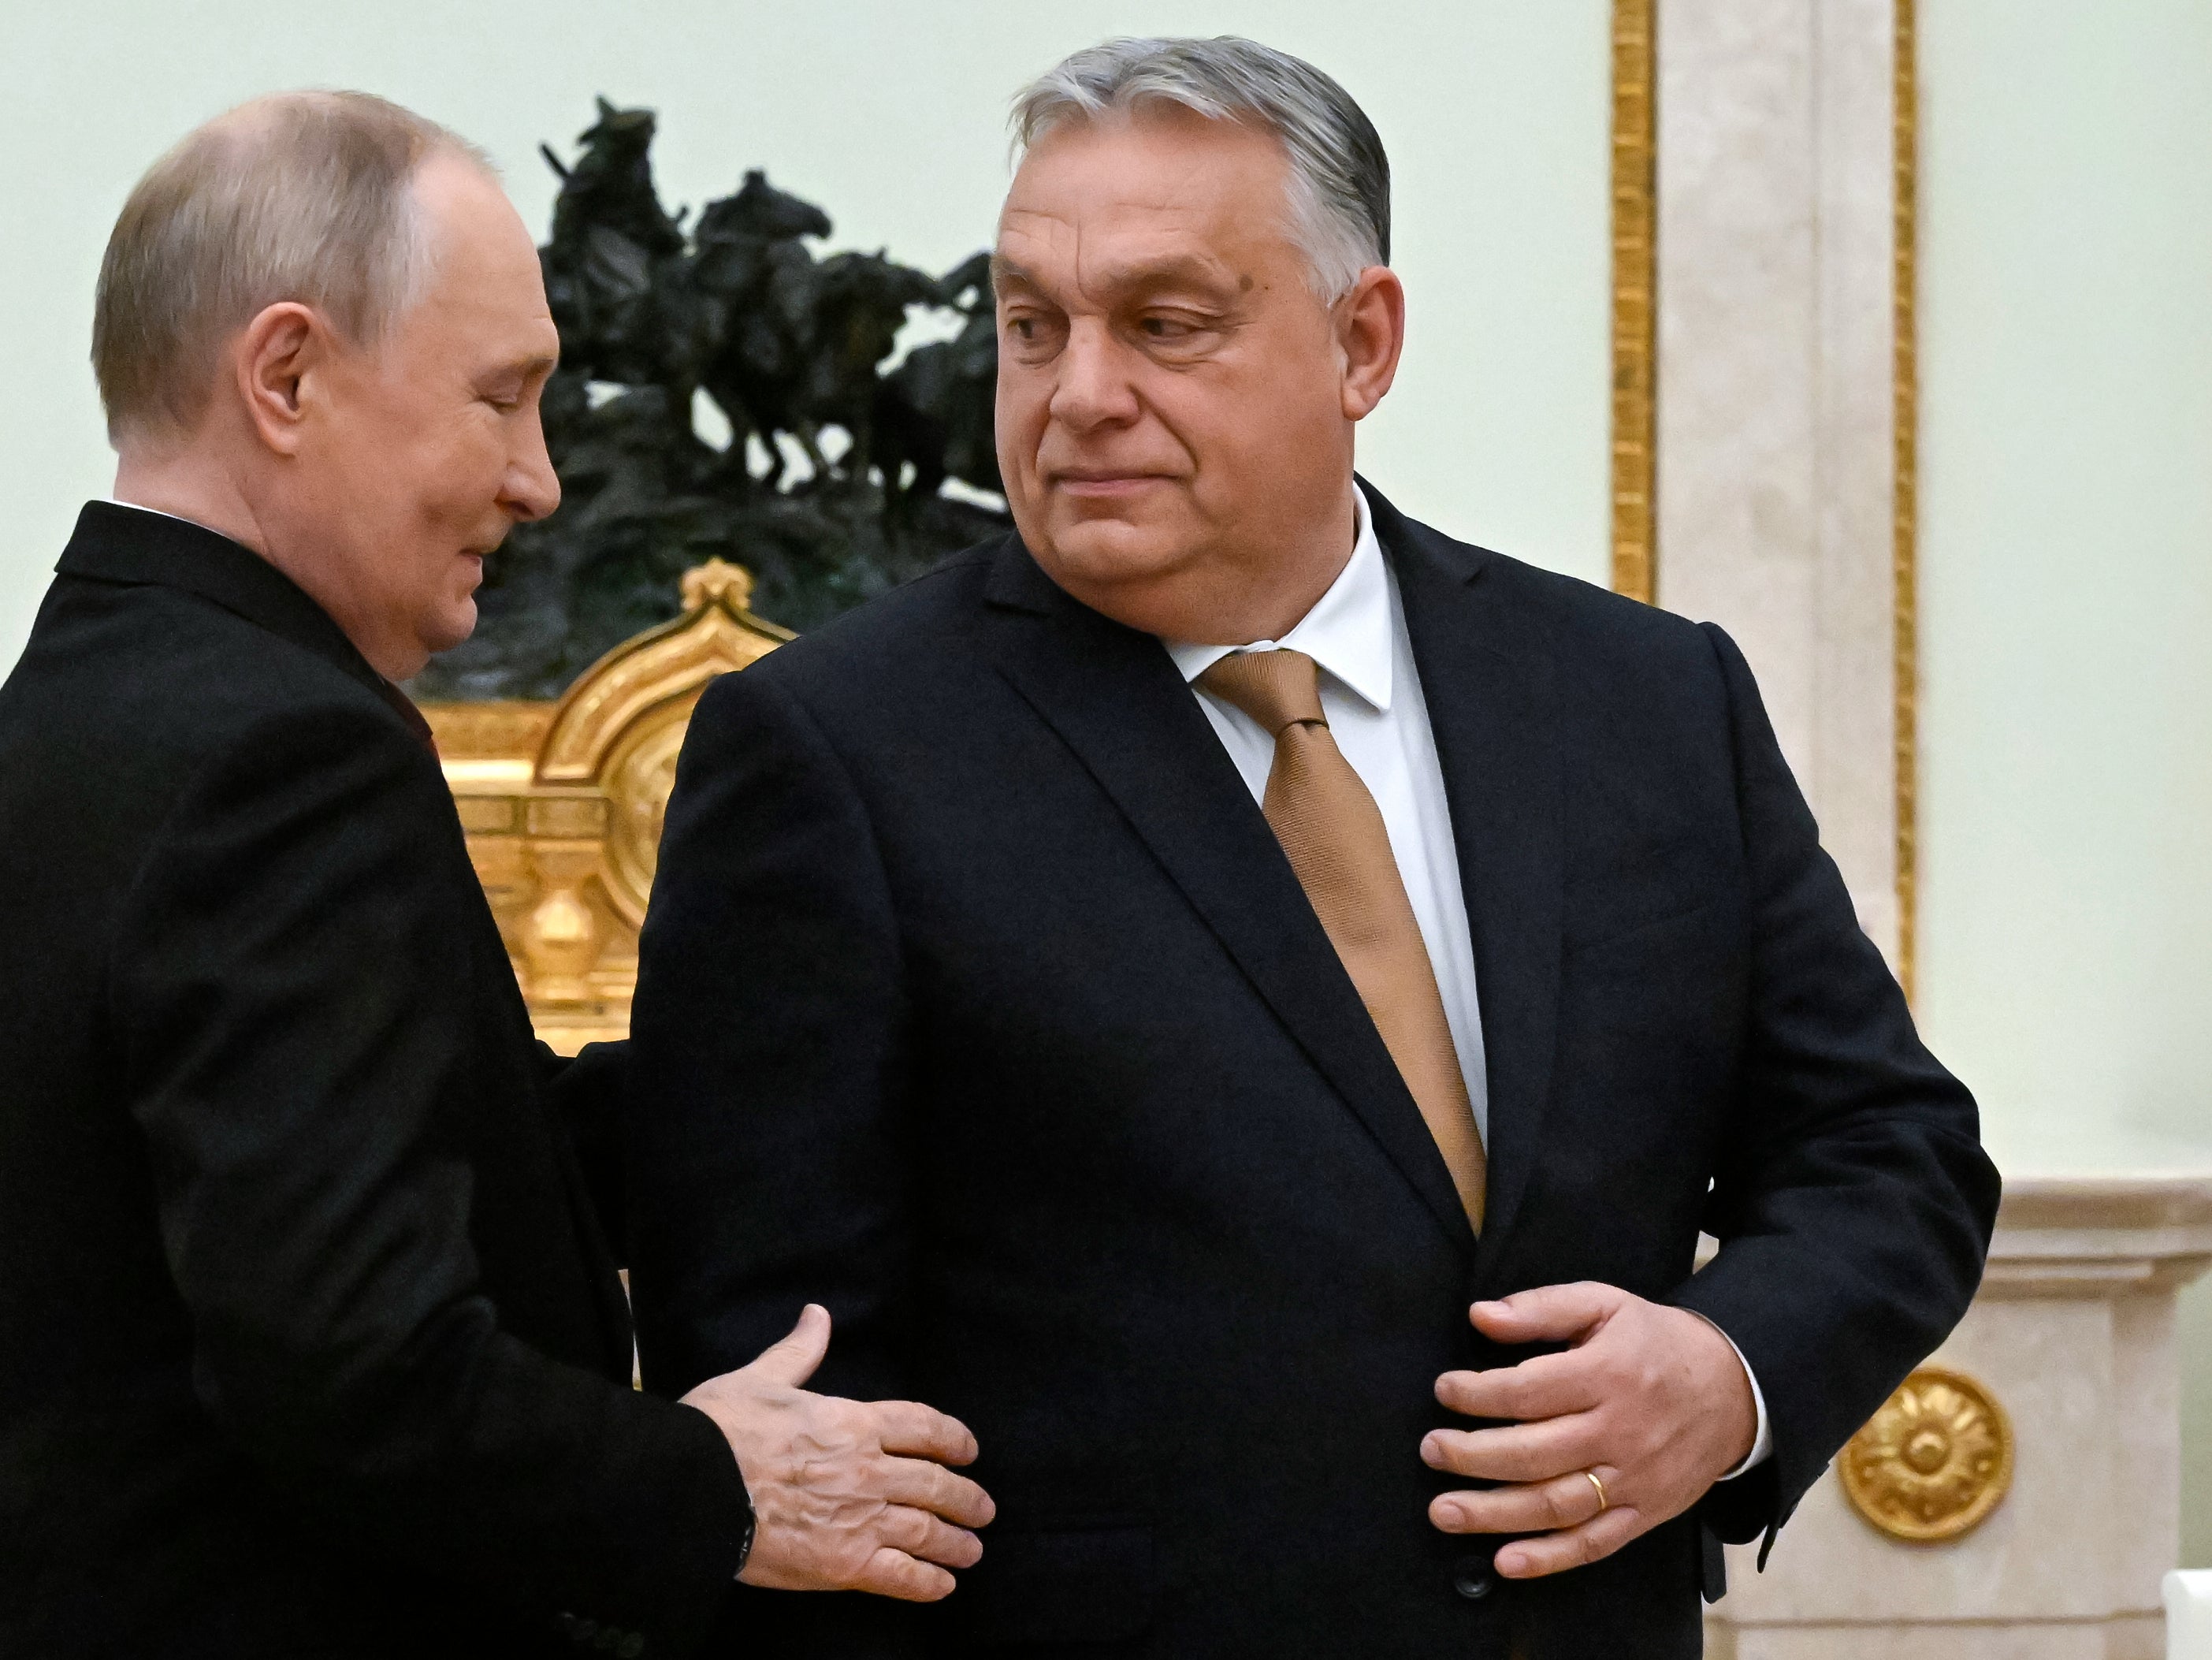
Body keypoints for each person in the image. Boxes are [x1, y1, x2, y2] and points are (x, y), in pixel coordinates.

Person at [627, 36, 1998, 1658]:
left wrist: (1729, 1376)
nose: (1076, 394)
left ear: (1362, 342)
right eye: (1028, 327)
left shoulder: (1637, 699)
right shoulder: (831, 753)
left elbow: (1884, 1152)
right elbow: (795, 1410)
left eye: (1162, 325)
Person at [0, 91, 989, 1660]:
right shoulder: (285, 750)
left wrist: (807, 1061)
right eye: (501, 400)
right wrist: (720, 1489)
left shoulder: (84, 700)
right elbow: (355, 1376)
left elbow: (381, 1157)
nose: (539, 480)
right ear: (285, 376)